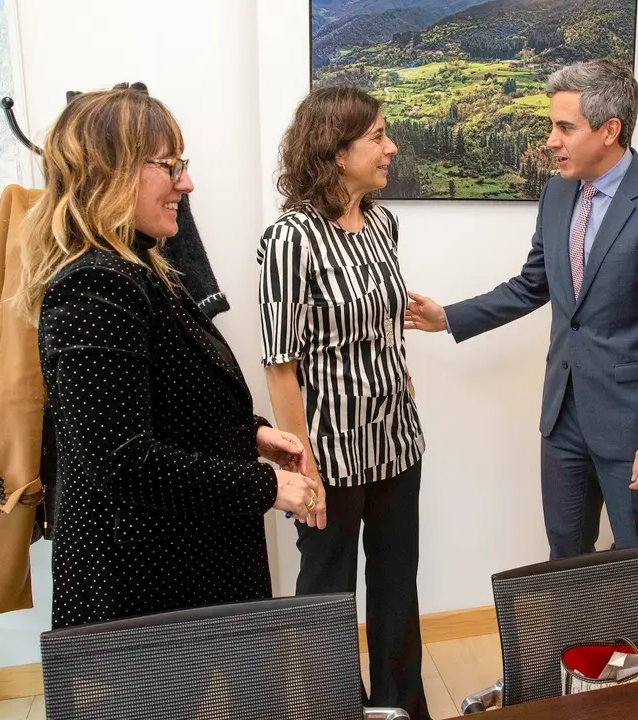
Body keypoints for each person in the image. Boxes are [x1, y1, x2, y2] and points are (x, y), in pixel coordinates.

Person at [15, 88, 325, 629]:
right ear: (110, 172)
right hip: (144, 586)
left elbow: (171, 401)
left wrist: (252, 433)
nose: (186, 183)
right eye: (170, 166)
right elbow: (123, 461)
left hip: (180, 567)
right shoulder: (95, 289)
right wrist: (267, 485)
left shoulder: (141, 269)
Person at [405, 59, 638, 560]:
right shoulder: (557, 192)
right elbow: (533, 284)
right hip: (563, 419)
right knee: (565, 559)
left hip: (634, 428)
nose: (551, 140)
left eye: (565, 128)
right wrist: (449, 318)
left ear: (610, 130)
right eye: (552, 126)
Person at [258, 86, 429, 719]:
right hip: (329, 452)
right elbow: (280, 365)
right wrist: (301, 464)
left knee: (396, 586)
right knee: (327, 597)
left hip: (396, 441)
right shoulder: (290, 239)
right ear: (336, 152)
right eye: (378, 137)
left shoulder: (383, 223)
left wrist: (398, 377)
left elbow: (384, 323)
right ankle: (331, 710)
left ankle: (400, 707)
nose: (391, 148)